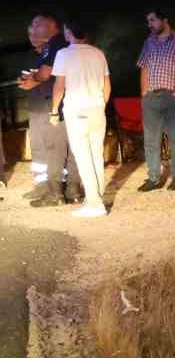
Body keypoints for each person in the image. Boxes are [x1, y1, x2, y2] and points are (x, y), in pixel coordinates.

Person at [49, 20, 112, 218]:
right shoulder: (98, 53)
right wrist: (101, 104)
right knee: (96, 155)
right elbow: (106, 84)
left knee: (84, 157)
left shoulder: (63, 54)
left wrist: (53, 111)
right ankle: (96, 197)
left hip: (77, 110)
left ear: (69, 32)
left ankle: (94, 204)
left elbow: (59, 85)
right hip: (97, 109)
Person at [18, 14, 82, 206]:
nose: (32, 29)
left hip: (59, 106)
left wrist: (34, 80)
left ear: (52, 27)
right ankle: (71, 190)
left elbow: (46, 73)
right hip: (72, 105)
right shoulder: (82, 50)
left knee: (55, 149)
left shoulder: (56, 45)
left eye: (37, 24)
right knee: (71, 149)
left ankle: (56, 193)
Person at [136, 8, 175, 192]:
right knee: (151, 139)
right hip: (152, 96)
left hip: (173, 96)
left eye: (153, 20)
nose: (150, 24)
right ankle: (154, 178)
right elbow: (144, 66)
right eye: (148, 21)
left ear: (165, 20)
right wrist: (144, 92)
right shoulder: (149, 41)